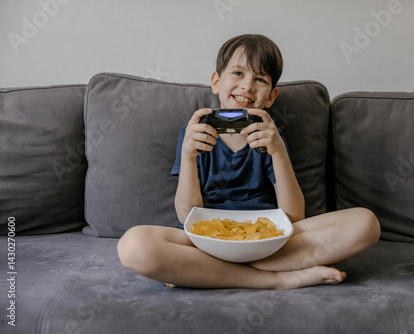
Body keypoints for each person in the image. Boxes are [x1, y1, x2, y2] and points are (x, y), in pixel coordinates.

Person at [117, 34, 380, 290]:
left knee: (365, 223)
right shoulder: (193, 133)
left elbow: (293, 216)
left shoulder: (269, 136)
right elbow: (187, 215)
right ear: (216, 81)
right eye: (238, 73)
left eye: (260, 79)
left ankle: (203, 271)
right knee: (134, 245)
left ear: (271, 96)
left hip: (268, 239)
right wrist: (188, 155)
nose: (247, 86)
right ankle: (277, 279)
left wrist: (278, 152)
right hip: (208, 239)